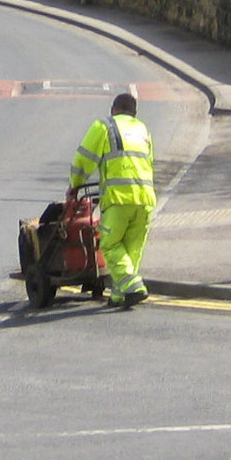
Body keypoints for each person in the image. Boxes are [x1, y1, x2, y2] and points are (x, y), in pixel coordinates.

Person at [70, 91, 156, 309]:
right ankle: (120, 295)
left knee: (109, 245)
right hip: (145, 198)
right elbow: (150, 161)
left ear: (113, 110)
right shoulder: (143, 129)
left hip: (119, 199)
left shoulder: (104, 126)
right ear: (134, 113)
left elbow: (84, 160)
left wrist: (75, 185)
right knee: (131, 249)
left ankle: (134, 286)